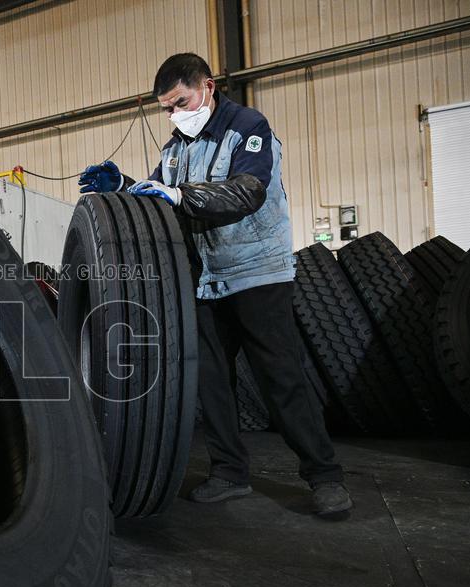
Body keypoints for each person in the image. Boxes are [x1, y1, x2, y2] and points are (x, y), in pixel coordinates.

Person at [78, 52, 352, 517]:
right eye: (166, 108)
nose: (174, 115)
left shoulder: (247, 127)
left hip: (258, 274)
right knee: (210, 381)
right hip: (206, 281)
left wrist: (181, 195)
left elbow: (248, 190)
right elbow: (159, 197)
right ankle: (229, 473)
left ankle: (324, 476)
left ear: (207, 86)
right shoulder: (175, 150)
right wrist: (123, 184)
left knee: (281, 379)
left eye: (180, 102)